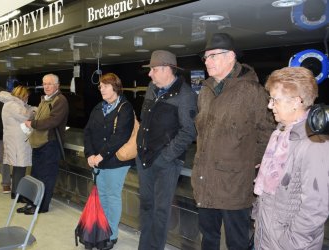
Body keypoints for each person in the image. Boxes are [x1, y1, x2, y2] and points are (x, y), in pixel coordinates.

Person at [191, 33, 275, 250]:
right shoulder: (206, 91)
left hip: (235, 187)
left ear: (231, 57)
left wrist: (251, 161)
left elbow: (268, 133)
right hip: (205, 181)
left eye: (212, 56)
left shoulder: (252, 91)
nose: (207, 61)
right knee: (208, 239)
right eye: (205, 57)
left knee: (236, 242)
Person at [253, 67, 329, 249]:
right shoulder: (280, 134)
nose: (269, 106)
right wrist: (258, 218)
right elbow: (266, 190)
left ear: (296, 102)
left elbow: (316, 206)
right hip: (267, 235)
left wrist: (290, 243)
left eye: (274, 100)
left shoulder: (315, 144)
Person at [136, 50, 197, 250]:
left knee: (160, 211)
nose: (149, 74)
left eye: (153, 69)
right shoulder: (152, 89)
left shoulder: (185, 95)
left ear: (167, 69)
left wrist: (165, 157)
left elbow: (189, 131)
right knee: (146, 206)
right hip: (145, 158)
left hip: (166, 164)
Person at [84, 73, 135, 250]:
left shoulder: (125, 107)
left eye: (105, 86)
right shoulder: (98, 108)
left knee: (112, 197)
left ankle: (111, 234)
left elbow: (120, 136)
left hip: (115, 162)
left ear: (115, 86)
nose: (101, 90)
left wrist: (101, 155)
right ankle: (101, 231)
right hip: (97, 161)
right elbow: (88, 132)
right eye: (100, 87)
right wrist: (90, 154)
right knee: (102, 196)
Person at [17, 73, 68, 215]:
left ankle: (42, 206)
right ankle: (32, 203)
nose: (46, 86)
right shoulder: (44, 100)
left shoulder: (60, 100)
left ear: (57, 85)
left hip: (50, 145)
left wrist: (32, 123)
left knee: (46, 177)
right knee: (35, 175)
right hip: (38, 144)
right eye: (44, 83)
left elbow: (53, 121)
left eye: (50, 83)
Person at [0, 86, 36, 200]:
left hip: (16, 141)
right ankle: (18, 194)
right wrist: (34, 111)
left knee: (19, 167)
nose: (27, 98)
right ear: (22, 95)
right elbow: (26, 115)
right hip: (17, 142)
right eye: (26, 96)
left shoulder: (13, 104)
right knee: (20, 167)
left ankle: (16, 193)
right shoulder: (13, 105)